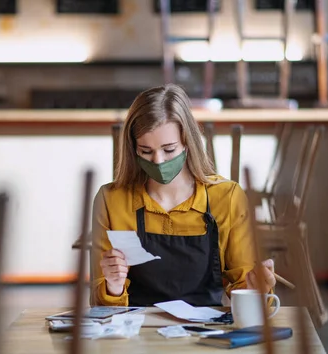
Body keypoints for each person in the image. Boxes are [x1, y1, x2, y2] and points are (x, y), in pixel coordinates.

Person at [90, 83, 276, 307]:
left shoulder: (227, 197)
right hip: (137, 333)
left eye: (169, 149)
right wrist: (113, 285)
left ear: (188, 143)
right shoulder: (112, 200)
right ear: (133, 149)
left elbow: (246, 291)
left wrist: (258, 290)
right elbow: (101, 307)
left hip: (205, 334)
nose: (158, 161)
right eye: (146, 151)